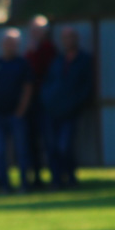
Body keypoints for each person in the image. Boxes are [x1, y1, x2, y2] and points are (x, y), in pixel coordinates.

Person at [40, 26, 93, 189]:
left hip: (70, 111)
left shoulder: (84, 60)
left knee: (65, 146)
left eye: (70, 37)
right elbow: (48, 81)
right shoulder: (58, 60)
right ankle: (56, 180)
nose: (67, 41)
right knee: (52, 146)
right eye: (64, 38)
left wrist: (75, 103)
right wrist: (47, 98)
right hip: (52, 110)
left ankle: (70, 178)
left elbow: (87, 86)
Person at [0, 28, 34, 193]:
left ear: (18, 45)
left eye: (13, 43)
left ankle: (24, 184)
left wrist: (20, 111)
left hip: (16, 116)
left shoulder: (23, 64)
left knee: (21, 151)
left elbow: (28, 89)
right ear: (1, 44)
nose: (9, 46)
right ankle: (3, 185)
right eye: (7, 43)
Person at [24, 15, 57, 188]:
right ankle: (35, 178)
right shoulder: (30, 49)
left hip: (46, 103)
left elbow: (39, 71)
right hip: (31, 104)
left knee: (49, 142)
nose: (35, 33)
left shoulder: (48, 49)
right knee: (32, 143)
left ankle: (55, 179)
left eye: (39, 30)